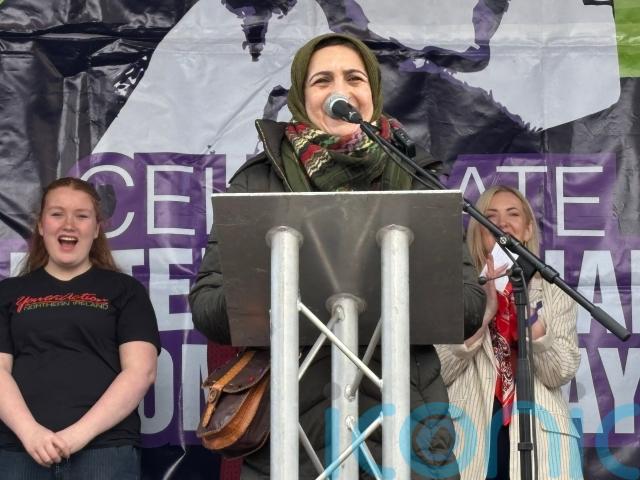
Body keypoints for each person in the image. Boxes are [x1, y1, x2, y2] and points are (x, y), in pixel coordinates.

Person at [189, 33, 485, 479]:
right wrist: (281, 285)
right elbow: (208, 307)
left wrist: (396, 285)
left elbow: (467, 306)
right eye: (322, 81)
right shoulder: (258, 181)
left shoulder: (415, 175)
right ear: (300, 96)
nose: (340, 91)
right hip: (292, 441)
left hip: (405, 430)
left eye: (354, 78)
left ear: (373, 93)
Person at [0, 177, 160, 479]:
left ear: (96, 229)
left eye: (82, 216)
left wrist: (76, 437)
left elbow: (141, 371)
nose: (69, 225)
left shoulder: (125, 291)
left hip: (105, 454)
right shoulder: (8, 293)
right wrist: (31, 433)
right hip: (19, 452)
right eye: (57, 214)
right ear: (41, 225)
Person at [436, 185, 582, 479]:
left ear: (527, 229)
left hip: (541, 442)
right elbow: (438, 370)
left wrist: (528, 317)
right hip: (470, 438)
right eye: (490, 217)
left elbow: (560, 372)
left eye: (513, 214)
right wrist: (484, 313)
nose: (502, 224)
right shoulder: (456, 291)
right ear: (478, 233)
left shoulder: (553, 290)